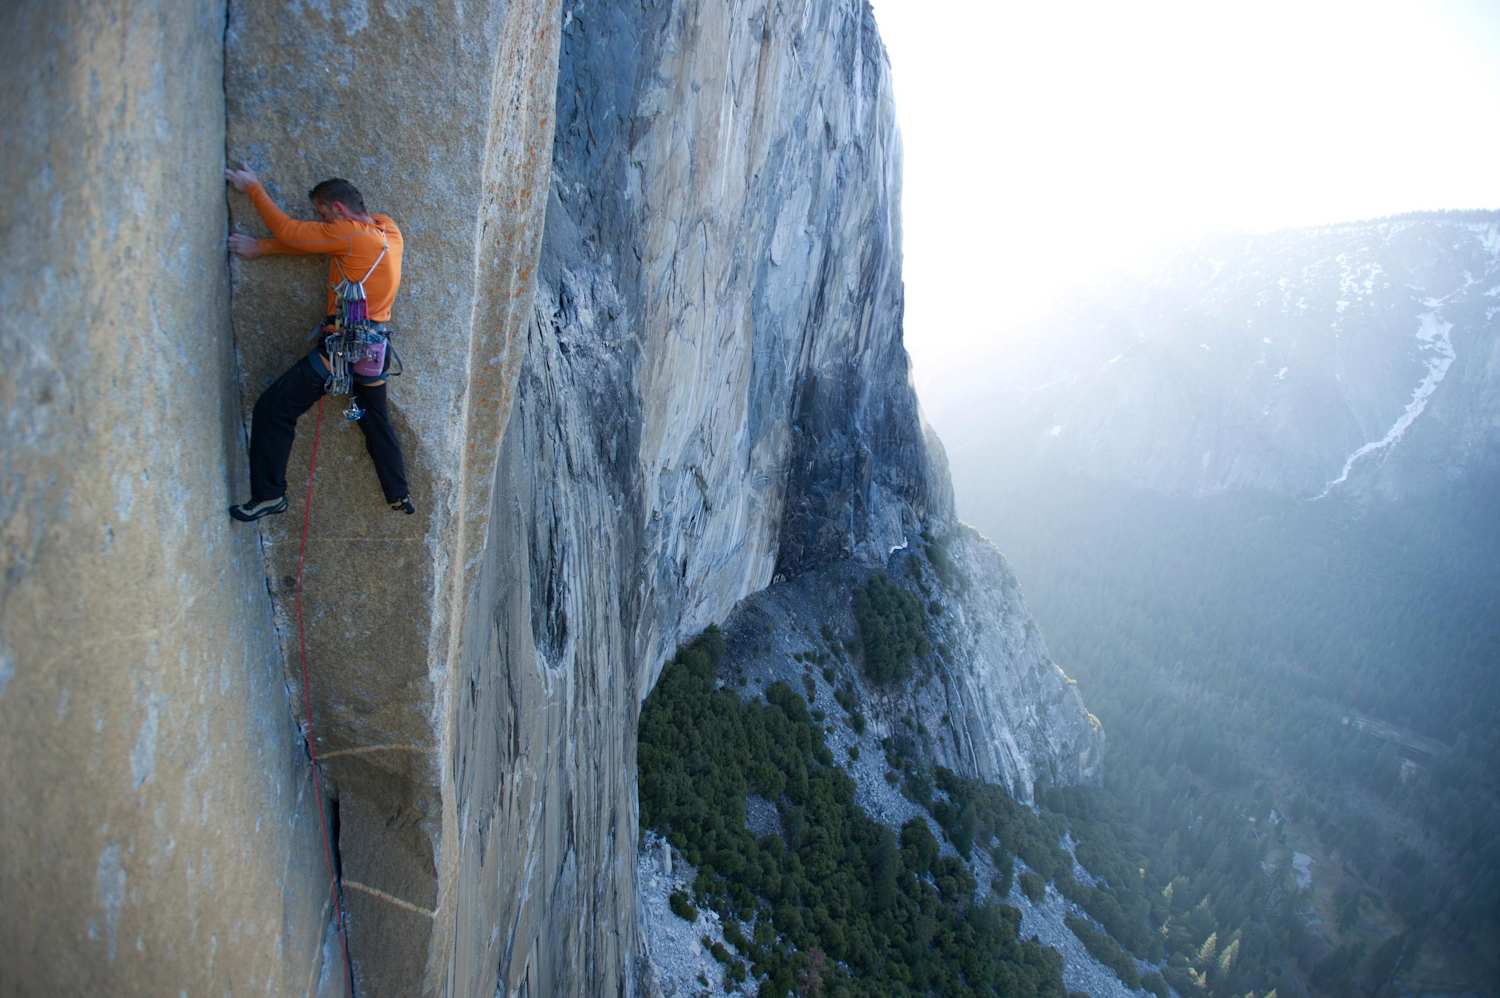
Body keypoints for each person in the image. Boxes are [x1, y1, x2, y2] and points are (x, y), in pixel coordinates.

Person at [224, 167, 415, 520]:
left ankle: (269, 496)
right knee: (374, 419)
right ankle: (398, 493)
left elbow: (291, 233)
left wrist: (254, 189)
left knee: (274, 409)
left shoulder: (349, 235)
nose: (321, 222)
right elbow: (316, 244)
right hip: (376, 349)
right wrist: (261, 248)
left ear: (338, 209)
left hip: (341, 346)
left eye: (323, 214)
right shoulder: (387, 229)